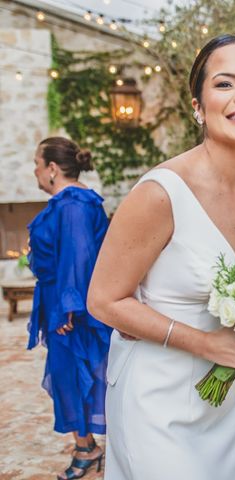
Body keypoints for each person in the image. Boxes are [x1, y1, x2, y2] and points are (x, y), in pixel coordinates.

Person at [86, 34, 235, 480]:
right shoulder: (159, 193)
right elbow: (103, 300)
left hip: (226, 402)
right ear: (197, 105)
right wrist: (205, 343)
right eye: (225, 84)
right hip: (159, 400)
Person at [27, 137, 111, 480]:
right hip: (64, 302)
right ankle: (86, 444)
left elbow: (79, 256)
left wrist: (66, 309)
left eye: (36, 163)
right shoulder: (68, 201)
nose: (33, 170)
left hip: (72, 310)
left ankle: (87, 448)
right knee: (69, 376)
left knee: (79, 376)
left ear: (51, 168)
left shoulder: (74, 202)